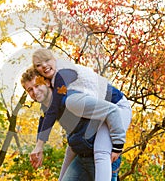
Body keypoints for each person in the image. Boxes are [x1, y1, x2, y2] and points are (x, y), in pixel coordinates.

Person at [31, 48, 132, 181]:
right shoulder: (53, 82)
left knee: (101, 151)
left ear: (54, 59)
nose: (43, 65)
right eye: (38, 65)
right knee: (72, 149)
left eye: (46, 60)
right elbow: (46, 114)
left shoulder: (64, 72)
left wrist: (118, 145)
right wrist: (38, 145)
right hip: (101, 113)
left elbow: (54, 107)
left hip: (117, 107)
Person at [21, 67, 96, 180]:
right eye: (30, 90)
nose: (34, 92)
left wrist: (115, 145)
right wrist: (38, 147)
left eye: (37, 85)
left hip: (99, 154)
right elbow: (44, 121)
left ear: (47, 82)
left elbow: (52, 111)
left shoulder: (66, 97)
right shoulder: (45, 107)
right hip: (81, 154)